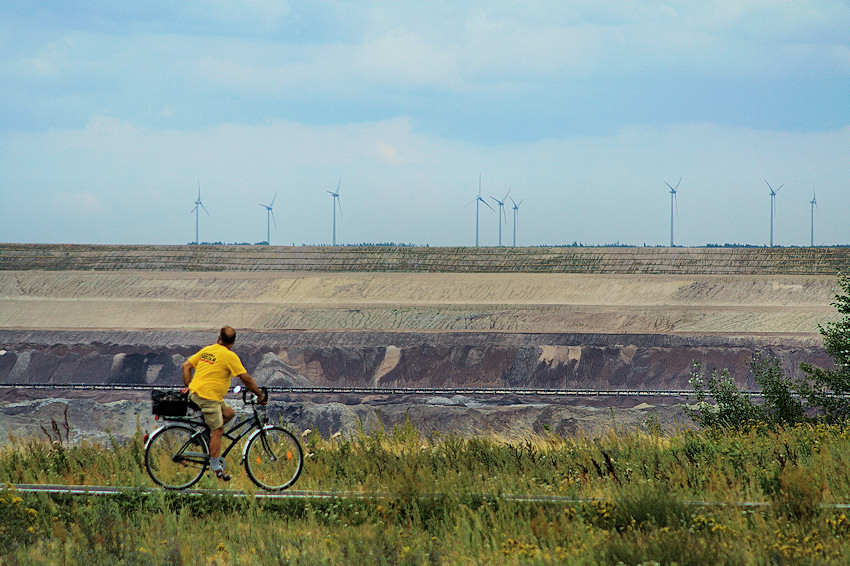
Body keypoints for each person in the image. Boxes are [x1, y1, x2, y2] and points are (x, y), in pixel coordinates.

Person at [181, 326, 267, 481]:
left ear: (218, 338)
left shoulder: (207, 350)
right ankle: (216, 468)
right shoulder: (229, 356)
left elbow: (186, 366)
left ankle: (204, 438)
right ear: (233, 342)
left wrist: (188, 386)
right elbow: (245, 378)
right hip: (208, 398)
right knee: (218, 430)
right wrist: (259, 394)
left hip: (198, 394)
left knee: (229, 413)